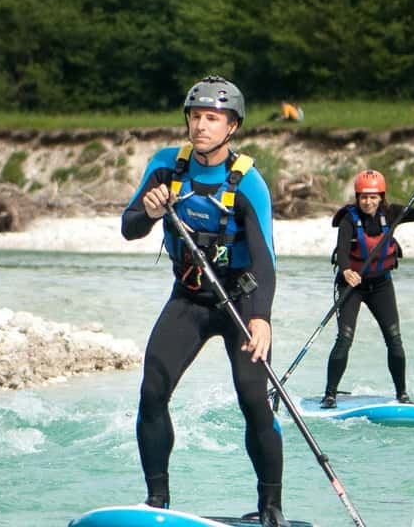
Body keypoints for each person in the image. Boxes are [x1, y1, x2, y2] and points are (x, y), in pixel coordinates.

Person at [120, 75, 286, 526]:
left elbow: (266, 258)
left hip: (240, 304)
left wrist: (263, 320)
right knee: (152, 391)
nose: (201, 126)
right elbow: (129, 226)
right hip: (189, 299)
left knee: (254, 401)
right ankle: (156, 503)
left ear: (232, 126)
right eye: (195, 116)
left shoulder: (249, 182)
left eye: (212, 118)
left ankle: (271, 509)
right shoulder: (165, 166)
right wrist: (150, 212)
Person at [320, 169, 414, 409]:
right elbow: (342, 249)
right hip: (351, 285)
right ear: (357, 197)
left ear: (381, 197)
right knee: (344, 338)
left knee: (394, 339)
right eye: (363, 197)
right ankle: (329, 394)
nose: (368, 202)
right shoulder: (349, 219)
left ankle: (402, 394)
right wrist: (345, 270)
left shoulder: (391, 213)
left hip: (381, 284)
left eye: (373, 197)